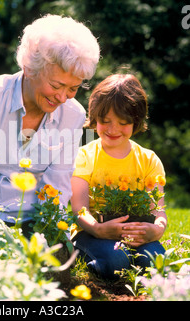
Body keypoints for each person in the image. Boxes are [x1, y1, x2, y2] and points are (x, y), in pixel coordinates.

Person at [0, 14, 100, 228]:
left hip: (31, 222)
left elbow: (58, 184)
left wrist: (49, 234)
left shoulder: (74, 116)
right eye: (56, 86)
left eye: (73, 88)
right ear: (29, 69)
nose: (63, 97)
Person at [70, 74, 166, 279]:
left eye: (123, 122)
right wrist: (98, 229)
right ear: (95, 118)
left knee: (155, 260)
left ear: (136, 122)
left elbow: (158, 212)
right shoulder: (85, 156)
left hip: (135, 234)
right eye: (105, 121)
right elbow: (79, 209)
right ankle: (90, 264)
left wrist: (156, 231)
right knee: (116, 262)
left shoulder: (148, 160)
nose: (113, 129)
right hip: (90, 232)